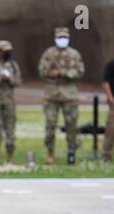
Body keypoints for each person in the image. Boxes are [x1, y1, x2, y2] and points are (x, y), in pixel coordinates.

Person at [38, 27, 84, 165]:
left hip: (69, 95)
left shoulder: (74, 54)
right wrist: (50, 73)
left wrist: (63, 72)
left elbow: (80, 71)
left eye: (64, 37)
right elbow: (42, 70)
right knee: (50, 124)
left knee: (72, 125)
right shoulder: (49, 53)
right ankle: (50, 153)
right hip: (51, 95)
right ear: (55, 38)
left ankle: (71, 153)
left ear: (68, 38)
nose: (62, 40)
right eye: (60, 37)